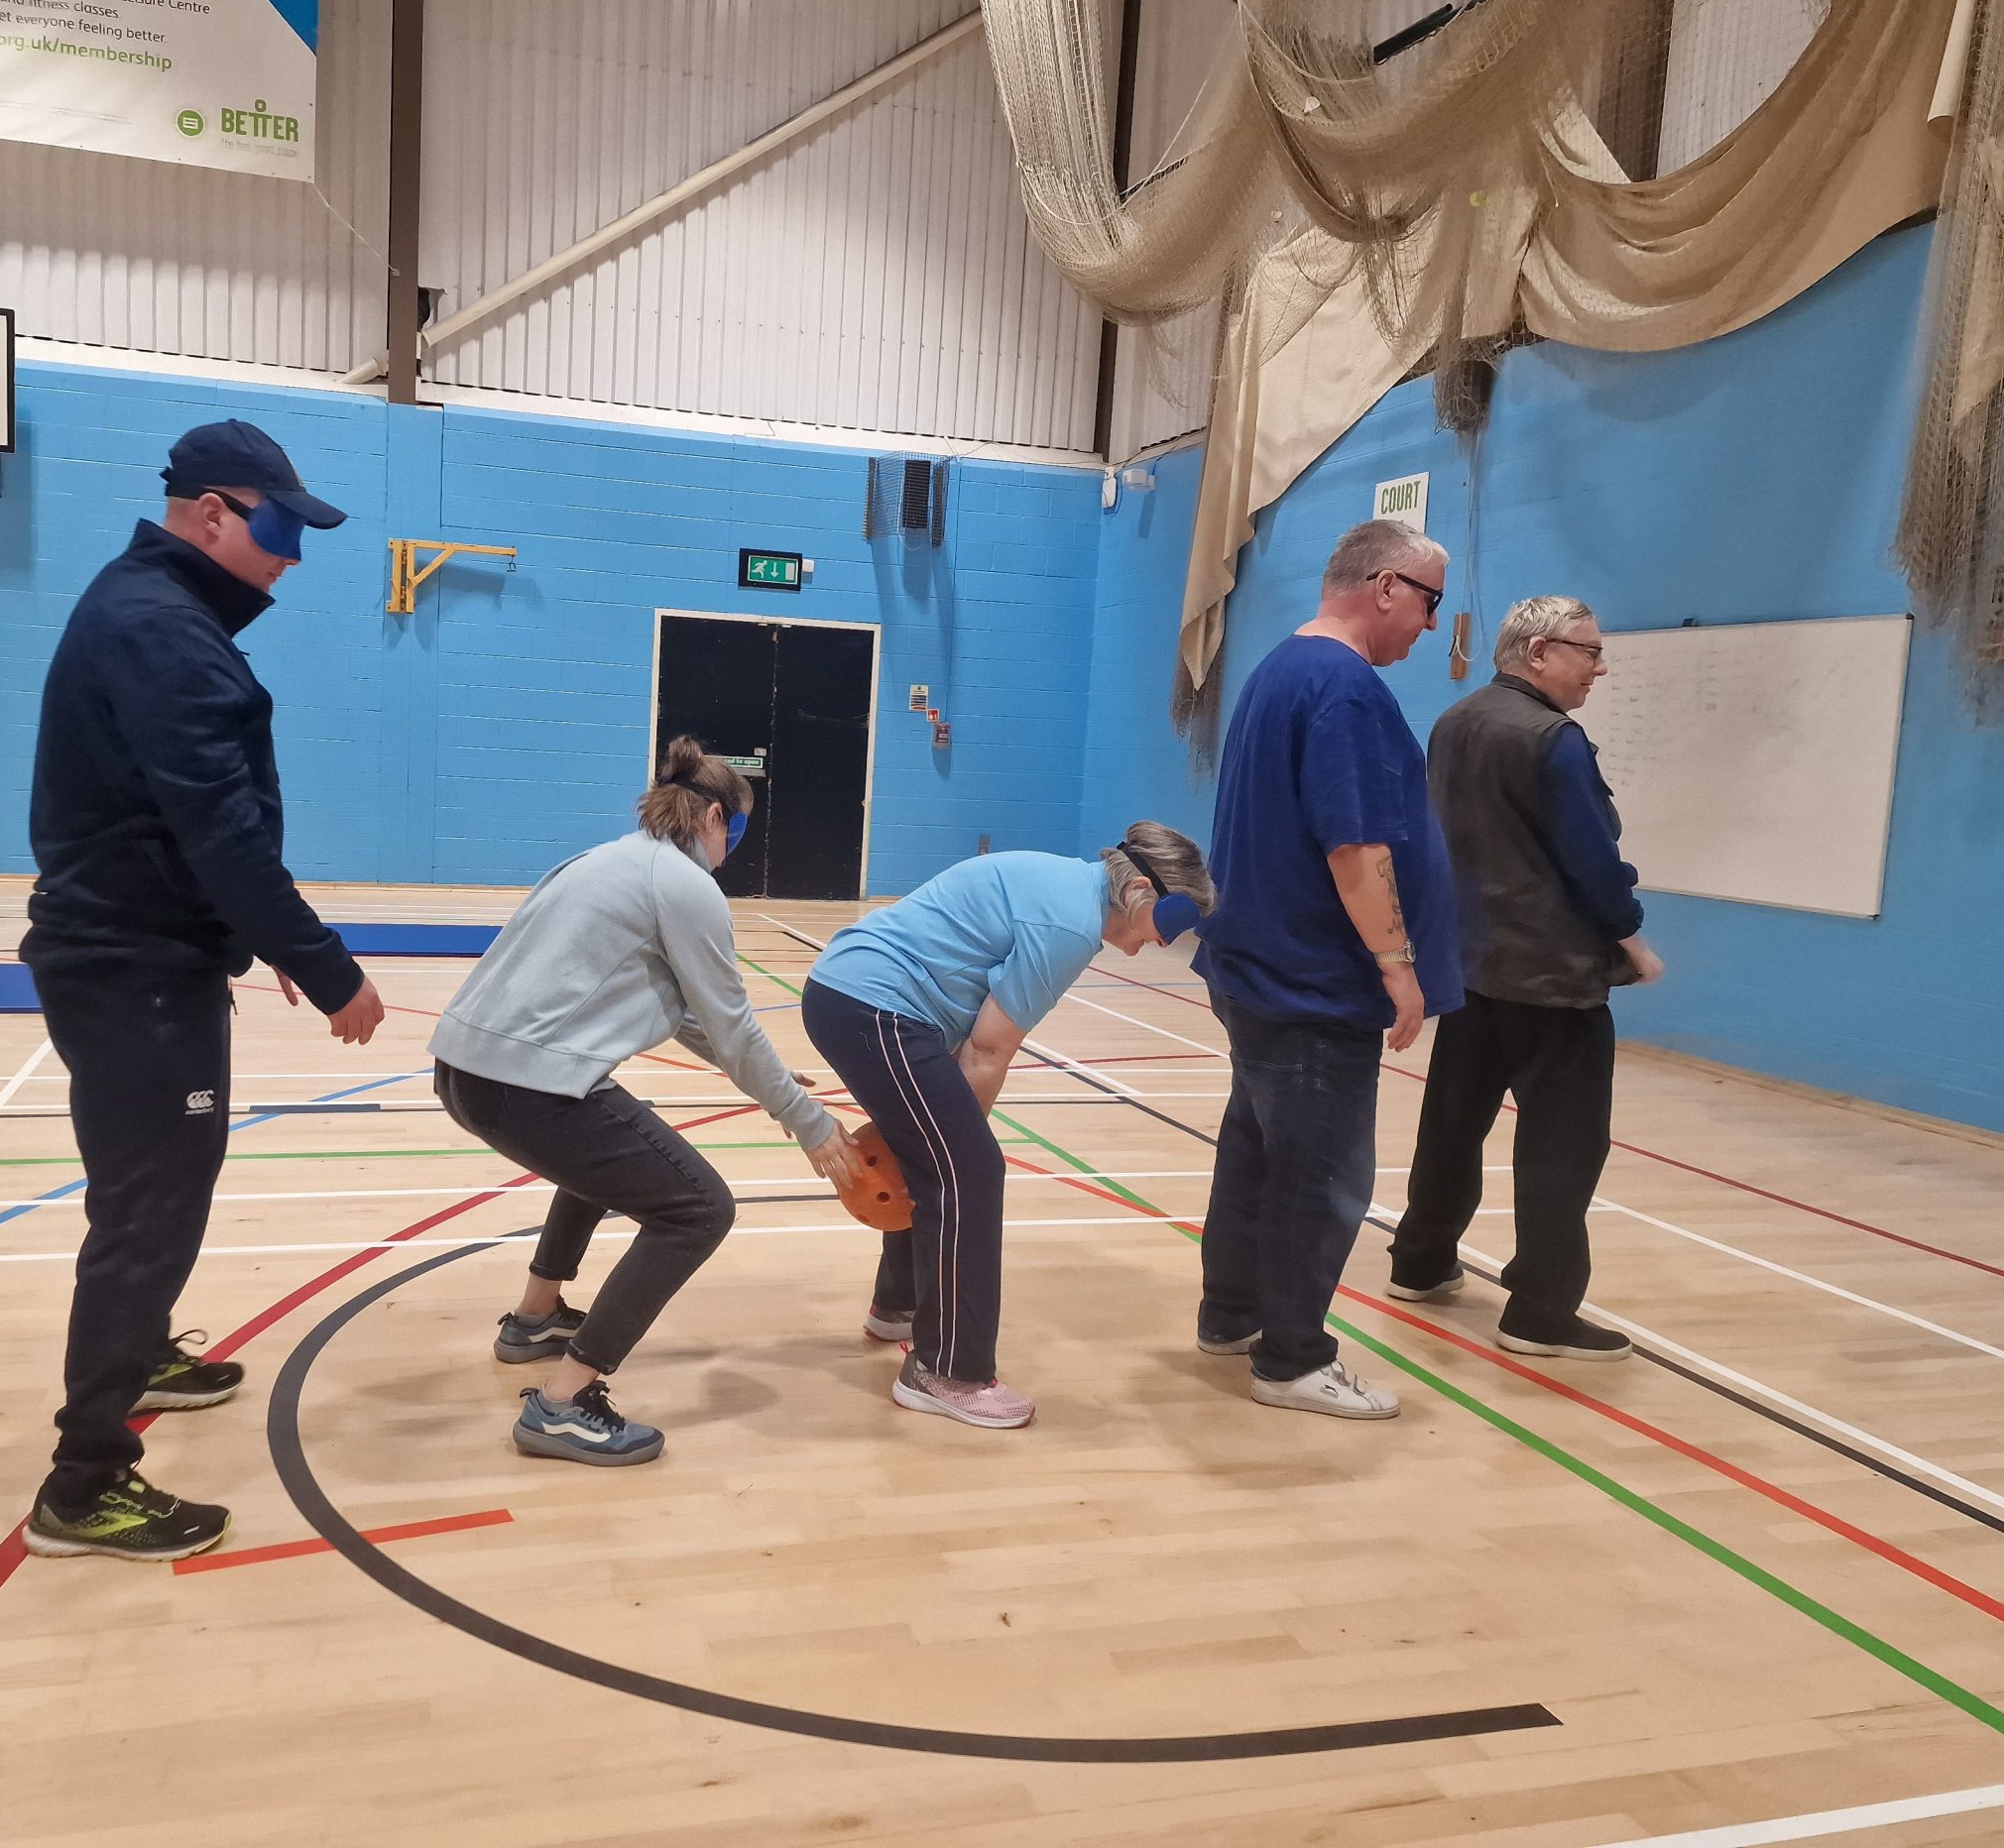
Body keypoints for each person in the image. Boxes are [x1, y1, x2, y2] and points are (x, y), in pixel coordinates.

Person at [18, 419, 386, 1561]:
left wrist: (246, 931)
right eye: (280, 529)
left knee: (157, 1188)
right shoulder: (163, 630)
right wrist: (324, 963)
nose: (290, 557)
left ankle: (140, 1359)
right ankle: (84, 1484)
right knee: (150, 1208)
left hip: (140, 958)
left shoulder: (150, 608)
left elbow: (185, 826)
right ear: (214, 513)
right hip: (136, 972)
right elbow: (218, 832)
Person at [430, 739, 864, 1468]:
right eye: (738, 830)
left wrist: (772, 1078)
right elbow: (733, 1026)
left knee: (606, 1153)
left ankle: (535, 1319)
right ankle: (564, 1404)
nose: (733, 847)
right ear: (715, 818)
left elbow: (698, 1020)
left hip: (463, 1070)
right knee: (698, 1209)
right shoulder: (686, 886)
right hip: (525, 1086)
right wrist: (807, 1121)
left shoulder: (604, 860)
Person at [803, 824, 1216, 1430]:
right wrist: (960, 1151)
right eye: (1172, 923)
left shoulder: (1067, 885)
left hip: (856, 998)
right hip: (875, 1008)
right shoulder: (1070, 925)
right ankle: (946, 1373)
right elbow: (988, 1051)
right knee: (969, 1172)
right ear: (1141, 893)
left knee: (940, 1162)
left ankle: (897, 1308)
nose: (1165, 941)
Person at [1190, 519, 1463, 1421]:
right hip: (1310, 983)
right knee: (1322, 1177)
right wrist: (1398, 964)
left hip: (1257, 970)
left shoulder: (1280, 668)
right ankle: (1293, 1360)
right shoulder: (1343, 688)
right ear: (1385, 587)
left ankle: (1232, 1316)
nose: (1431, 624)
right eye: (1428, 601)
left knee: (1256, 1153)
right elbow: (1356, 846)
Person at [1387, 597, 1663, 1359]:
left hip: (1470, 965)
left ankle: (1420, 1260)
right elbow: (1591, 860)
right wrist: (1630, 936)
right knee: (1563, 1148)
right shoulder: (1554, 740)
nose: (1599, 668)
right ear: (1539, 652)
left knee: (1452, 1124)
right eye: (1588, 651)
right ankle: (1540, 1311)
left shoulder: (1456, 722)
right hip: (1552, 978)